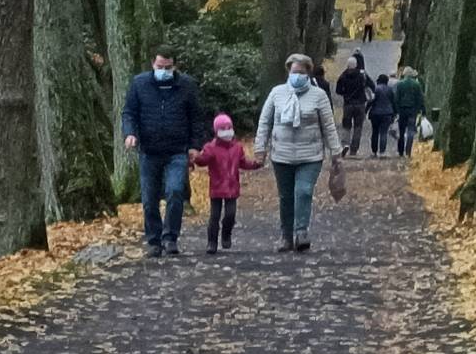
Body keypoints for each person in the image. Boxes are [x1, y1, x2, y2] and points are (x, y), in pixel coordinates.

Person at [122, 45, 205, 257]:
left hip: (177, 151)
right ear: (153, 64)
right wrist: (130, 134)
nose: (164, 70)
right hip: (149, 151)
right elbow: (129, 112)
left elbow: (196, 118)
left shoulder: (186, 86)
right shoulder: (140, 84)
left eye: (168, 67)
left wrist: (195, 146)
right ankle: (153, 240)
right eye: (160, 66)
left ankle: (170, 238)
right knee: (149, 199)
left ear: (174, 66)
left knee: (175, 192)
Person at [254, 54, 342, 252]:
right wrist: (260, 148)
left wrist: (335, 152)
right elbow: (265, 122)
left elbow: (328, 125)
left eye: (301, 73)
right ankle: (286, 236)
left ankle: (301, 231)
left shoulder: (318, 96)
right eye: (294, 72)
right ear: (288, 72)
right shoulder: (277, 93)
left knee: (303, 192)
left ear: (308, 73)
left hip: (310, 155)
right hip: (281, 155)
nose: (297, 76)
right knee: (286, 197)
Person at [194, 113, 263, 254]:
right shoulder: (211, 148)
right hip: (216, 187)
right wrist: (196, 158)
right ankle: (211, 242)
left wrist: (255, 164)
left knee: (230, 214)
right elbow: (203, 160)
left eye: (229, 128)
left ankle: (226, 234)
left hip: (232, 187)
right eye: (223, 129)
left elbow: (243, 163)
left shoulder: (237, 148)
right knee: (214, 216)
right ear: (216, 131)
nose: (227, 132)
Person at [336, 56, 375, 156]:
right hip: (360, 104)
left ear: (348, 65)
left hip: (348, 104)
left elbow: (338, 90)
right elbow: (372, 85)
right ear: (356, 65)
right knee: (358, 126)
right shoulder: (362, 75)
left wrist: (345, 93)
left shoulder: (343, 76)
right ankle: (354, 148)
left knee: (346, 125)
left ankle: (345, 144)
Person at [394, 66, 425, 158]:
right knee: (411, 131)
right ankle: (408, 151)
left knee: (401, 131)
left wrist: (397, 110)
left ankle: (400, 151)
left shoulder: (400, 84)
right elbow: (420, 99)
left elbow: (396, 99)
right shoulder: (416, 85)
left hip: (402, 110)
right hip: (412, 111)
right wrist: (420, 110)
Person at [367, 74, 396, 158]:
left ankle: (374, 151)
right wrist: (395, 112)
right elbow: (393, 102)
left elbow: (371, 101)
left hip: (375, 114)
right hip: (387, 114)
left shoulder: (376, 89)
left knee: (375, 132)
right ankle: (382, 152)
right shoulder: (390, 90)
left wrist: (366, 110)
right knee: (383, 133)